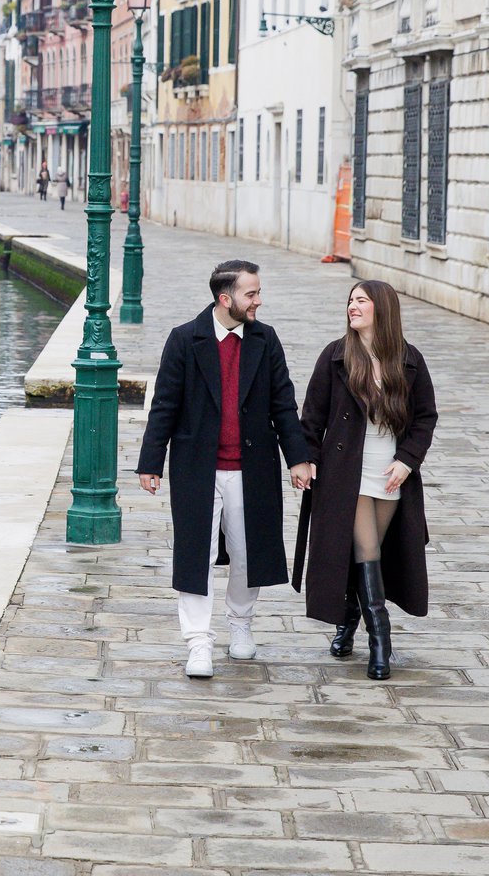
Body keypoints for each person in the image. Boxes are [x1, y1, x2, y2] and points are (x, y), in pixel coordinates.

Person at [136, 260, 314, 679]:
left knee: (247, 553)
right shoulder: (184, 340)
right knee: (194, 552)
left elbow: (283, 405)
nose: (258, 301)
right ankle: (198, 643)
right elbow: (165, 405)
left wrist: (298, 458)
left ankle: (240, 625)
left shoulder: (265, 340)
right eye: (251, 294)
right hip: (197, 467)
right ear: (225, 298)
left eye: (257, 292)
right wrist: (150, 461)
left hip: (251, 467)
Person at [291, 280, 438, 681]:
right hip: (345, 475)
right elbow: (312, 416)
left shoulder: (409, 360)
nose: (352, 307)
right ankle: (380, 639)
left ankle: (349, 619)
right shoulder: (336, 356)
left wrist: (408, 461)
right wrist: (304, 460)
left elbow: (425, 417)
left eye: (361, 301)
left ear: (382, 309)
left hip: (390, 474)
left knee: (365, 555)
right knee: (366, 548)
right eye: (350, 301)